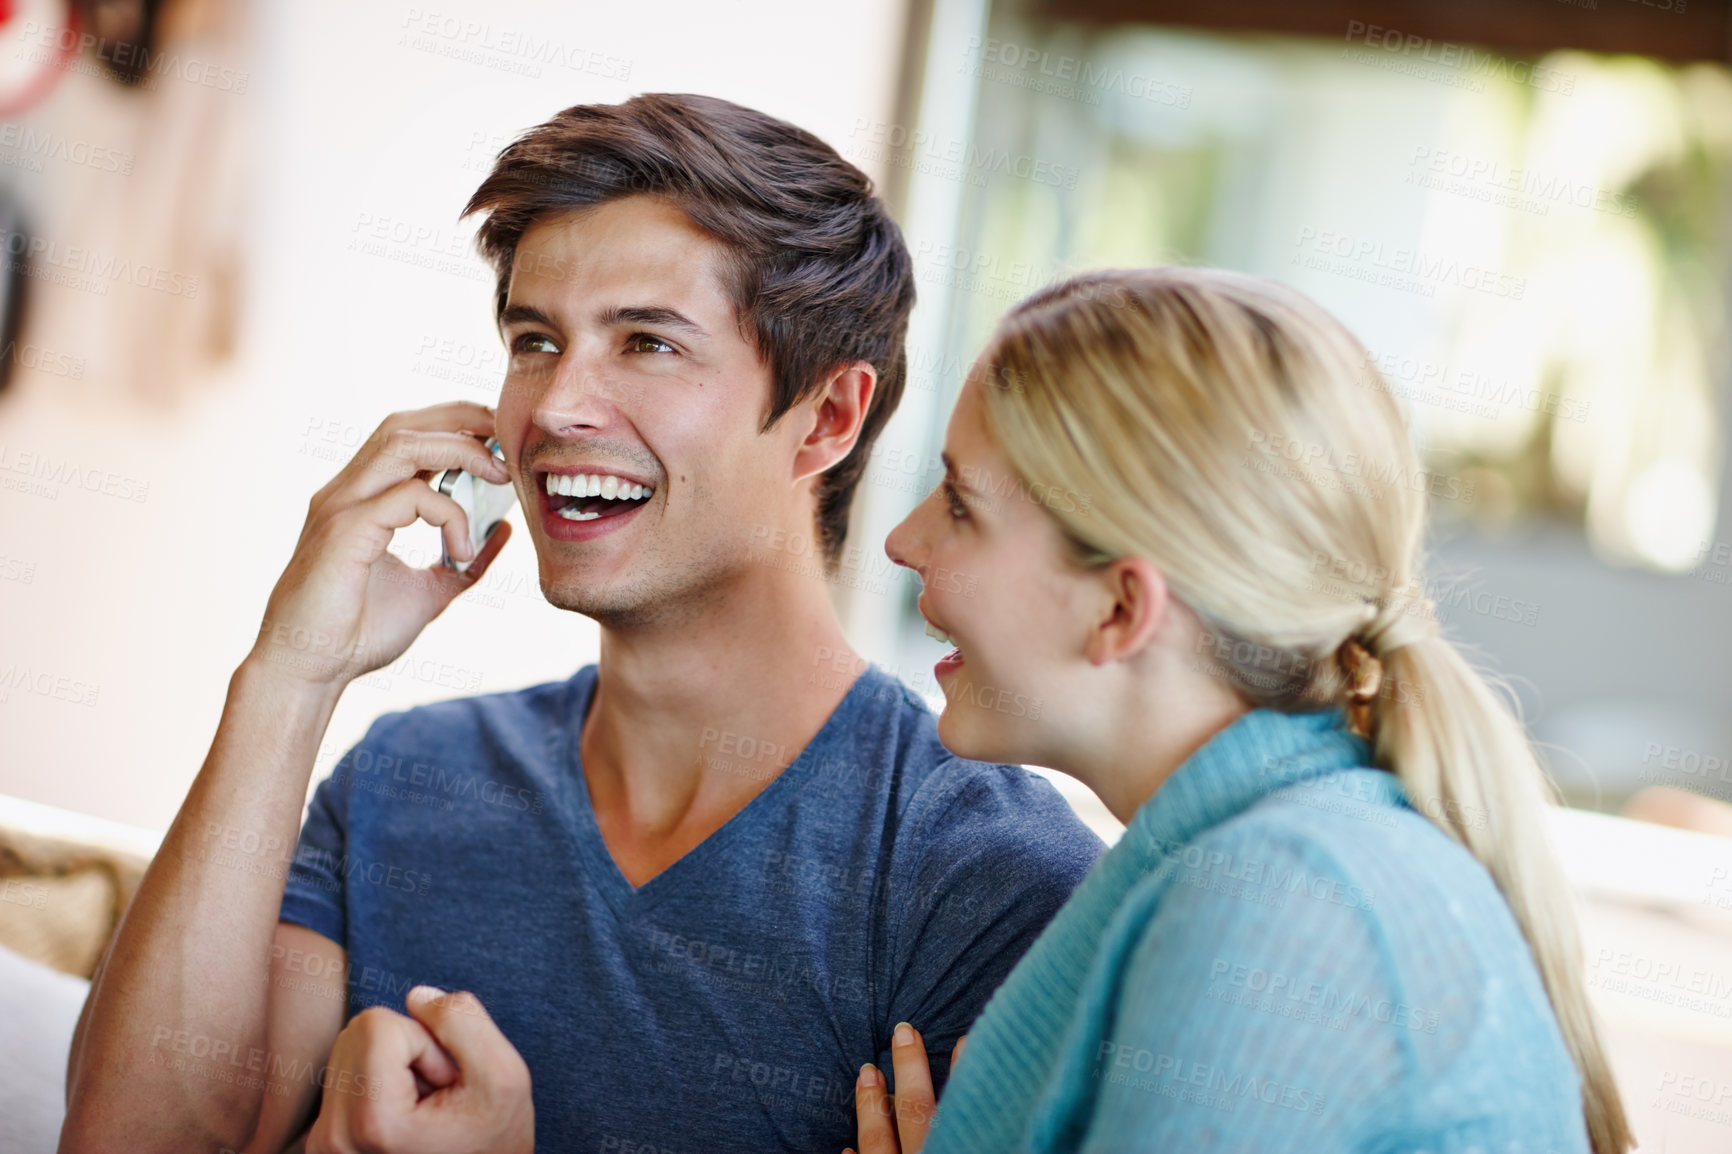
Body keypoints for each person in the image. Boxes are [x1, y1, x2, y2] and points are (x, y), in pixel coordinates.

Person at [59, 94, 1103, 1154]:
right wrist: (289, 674)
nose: (557, 407)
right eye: (534, 340)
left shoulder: (984, 875)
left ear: (826, 418)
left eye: (646, 342)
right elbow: (130, 1140)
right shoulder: (406, 777)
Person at [850, 267, 1632, 1154]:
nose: (903, 541)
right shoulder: (1272, 859)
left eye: (960, 504)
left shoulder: (1285, 907)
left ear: (1119, 609)